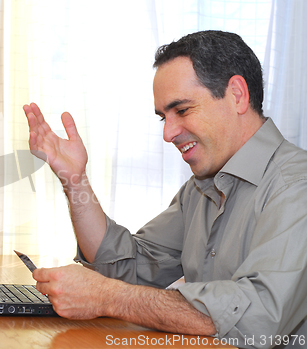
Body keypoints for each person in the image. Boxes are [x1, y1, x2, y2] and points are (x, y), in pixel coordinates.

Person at [23, 30, 307, 348]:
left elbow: (259, 317)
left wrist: (109, 298)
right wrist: (75, 180)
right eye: (163, 118)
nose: (168, 133)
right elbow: (125, 266)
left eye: (182, 110)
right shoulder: (201, 188)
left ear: (237, 95)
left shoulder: (297, 186)